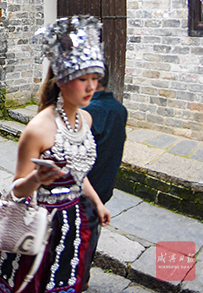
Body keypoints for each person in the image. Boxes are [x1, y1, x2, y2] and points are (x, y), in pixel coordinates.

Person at [0, 16, 110, 293]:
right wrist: (37, 178)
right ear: (61, 80)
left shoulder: (86, 120)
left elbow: (77, 172)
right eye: (81, 79)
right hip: (37, 223)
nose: (90, 87)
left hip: (73, 222)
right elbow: (15, 192)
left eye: (94, 78)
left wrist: (96, 202)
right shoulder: (38, 129)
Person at [80, 64, 127, 290]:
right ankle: (84, 277)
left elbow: (74, 164)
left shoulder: (87, 113)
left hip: (81, 190)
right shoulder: (119, 109)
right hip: (103, 189)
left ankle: (75, 280)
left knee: (74, 242)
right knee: (90, 237)